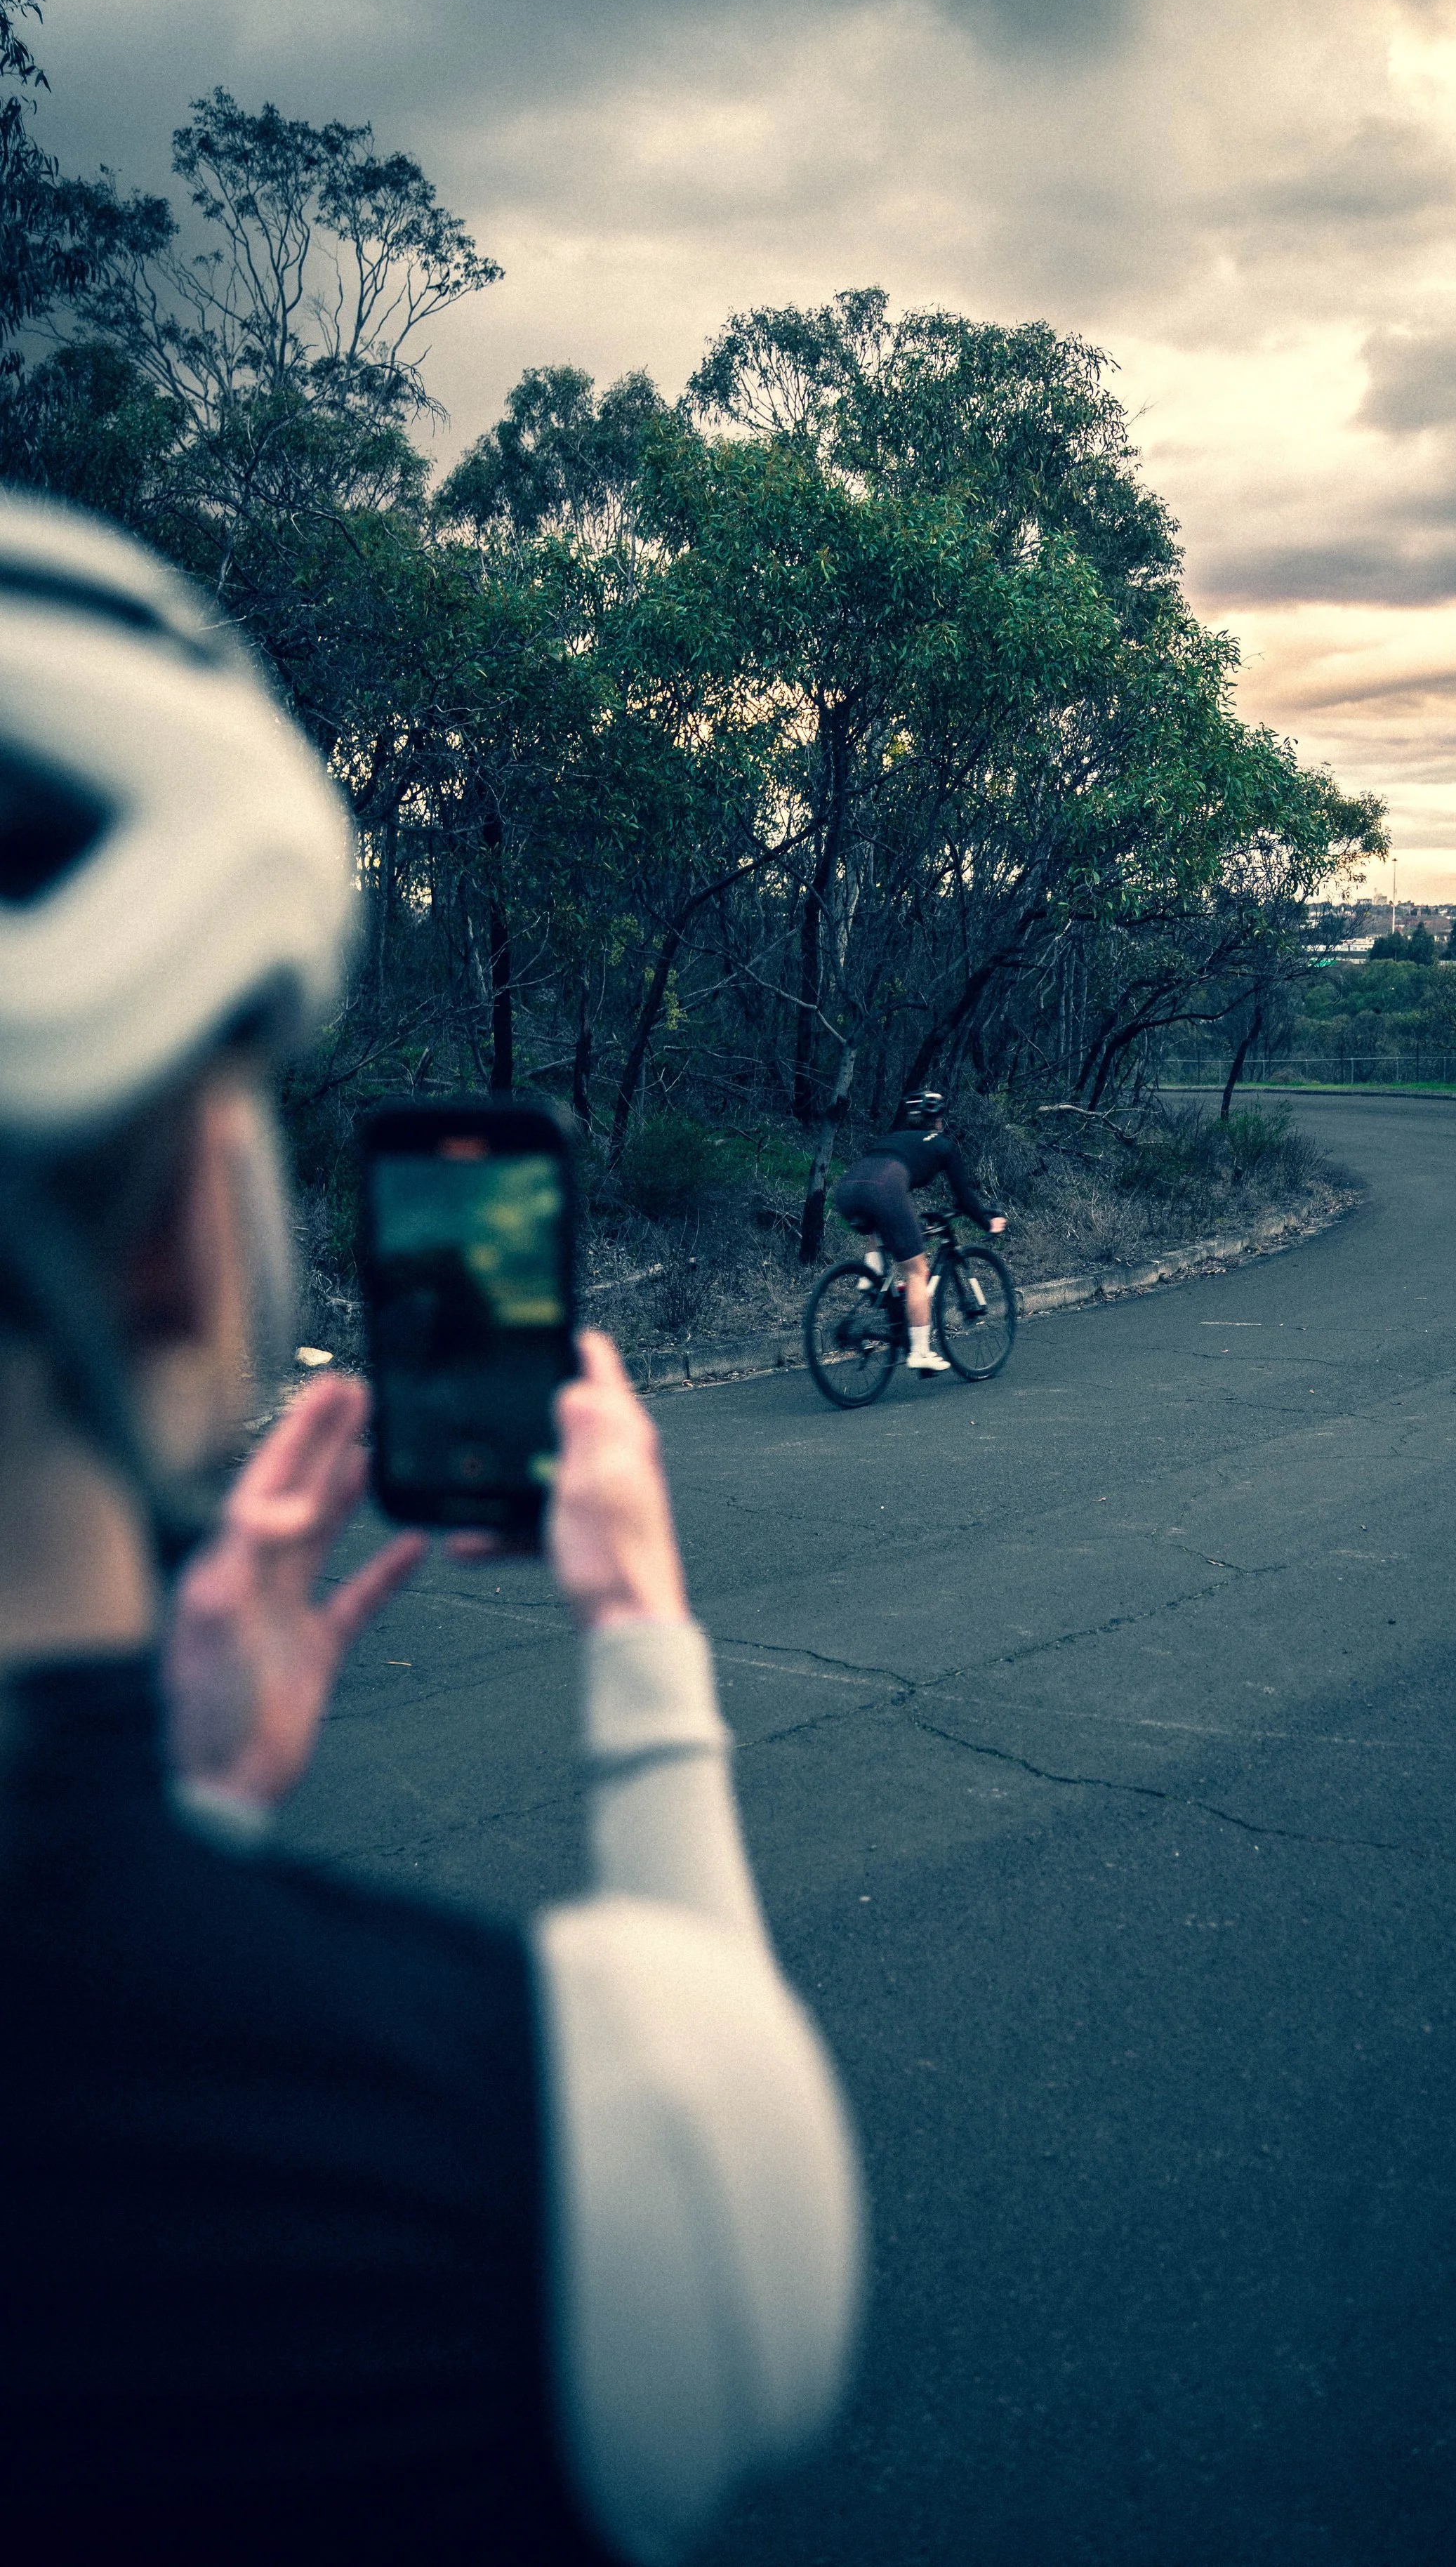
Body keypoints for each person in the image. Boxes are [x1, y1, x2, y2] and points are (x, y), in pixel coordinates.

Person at [0, 493, 863, 2563]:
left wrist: (180, 1800)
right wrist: (640, 1641)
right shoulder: (577, 2139)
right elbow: (737, 2152)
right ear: (187, 1248)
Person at [832, 1092, 1006, 1375]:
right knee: (916, 1272)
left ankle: (872, 1275)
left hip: (848, 1190)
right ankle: (921, 1352)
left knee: (882, 1225)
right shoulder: (942, 1144)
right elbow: (963, 1198)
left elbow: (882, 1186)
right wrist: (988, 1223)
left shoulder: (893, 1139)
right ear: (937, 1119)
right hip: (884, 1190)